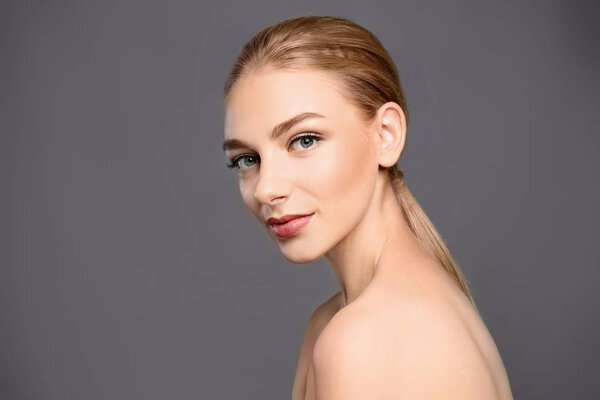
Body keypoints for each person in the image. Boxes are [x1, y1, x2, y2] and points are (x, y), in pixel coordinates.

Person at [221, 15, 513, 400]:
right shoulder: (340, 321)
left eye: (304, 140)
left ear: (386, 136)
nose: (266, 189)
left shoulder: (365, 339)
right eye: (246, 159)